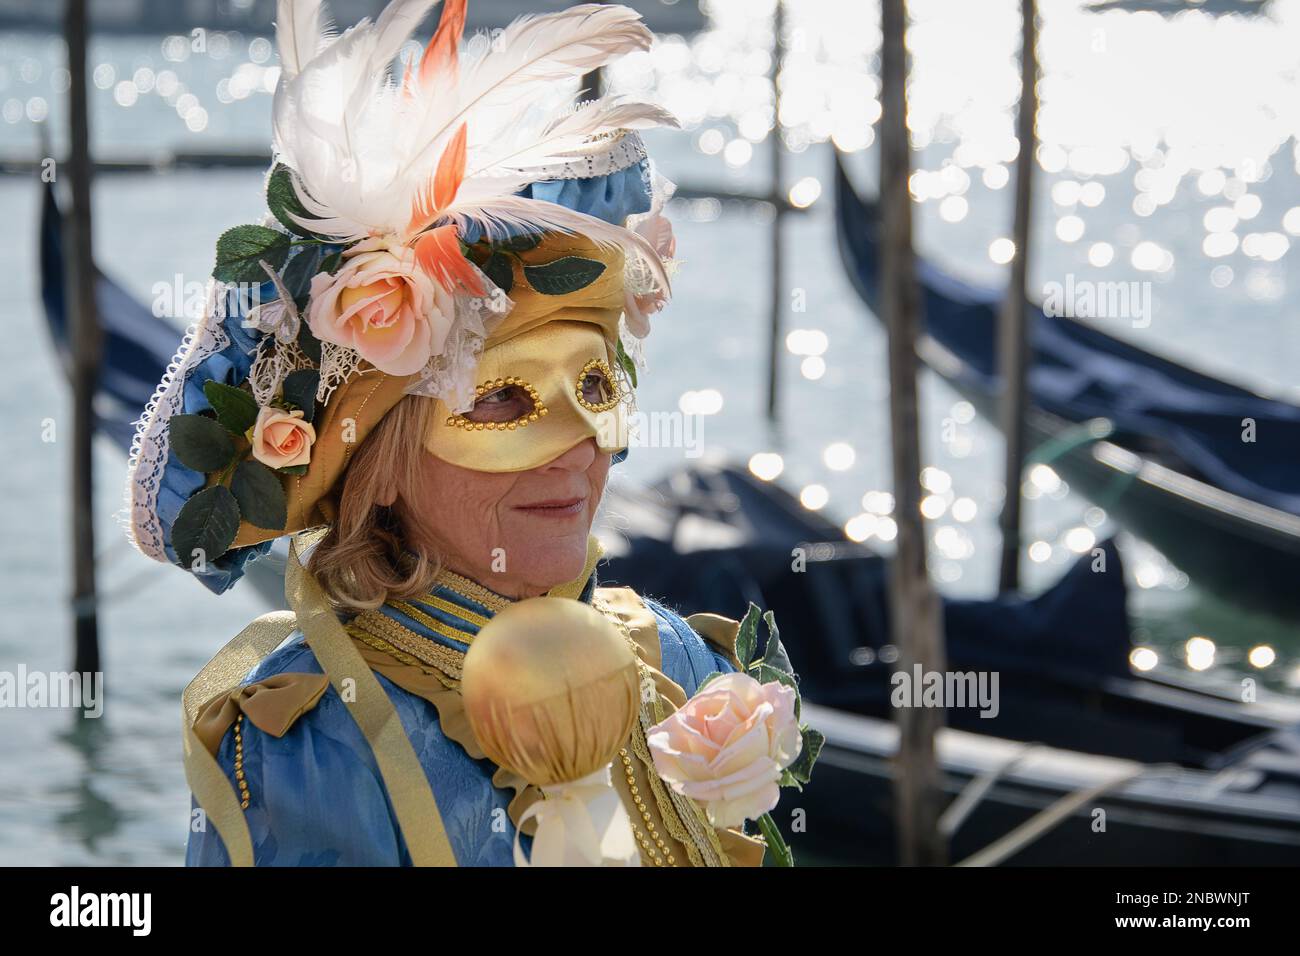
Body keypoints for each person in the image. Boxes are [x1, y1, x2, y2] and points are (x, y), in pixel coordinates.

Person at [124, 0, 768, 866]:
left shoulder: (675, 663)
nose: (579, 448)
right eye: (501, 403)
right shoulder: (313, 742)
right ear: (377, 464)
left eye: (594, 386)